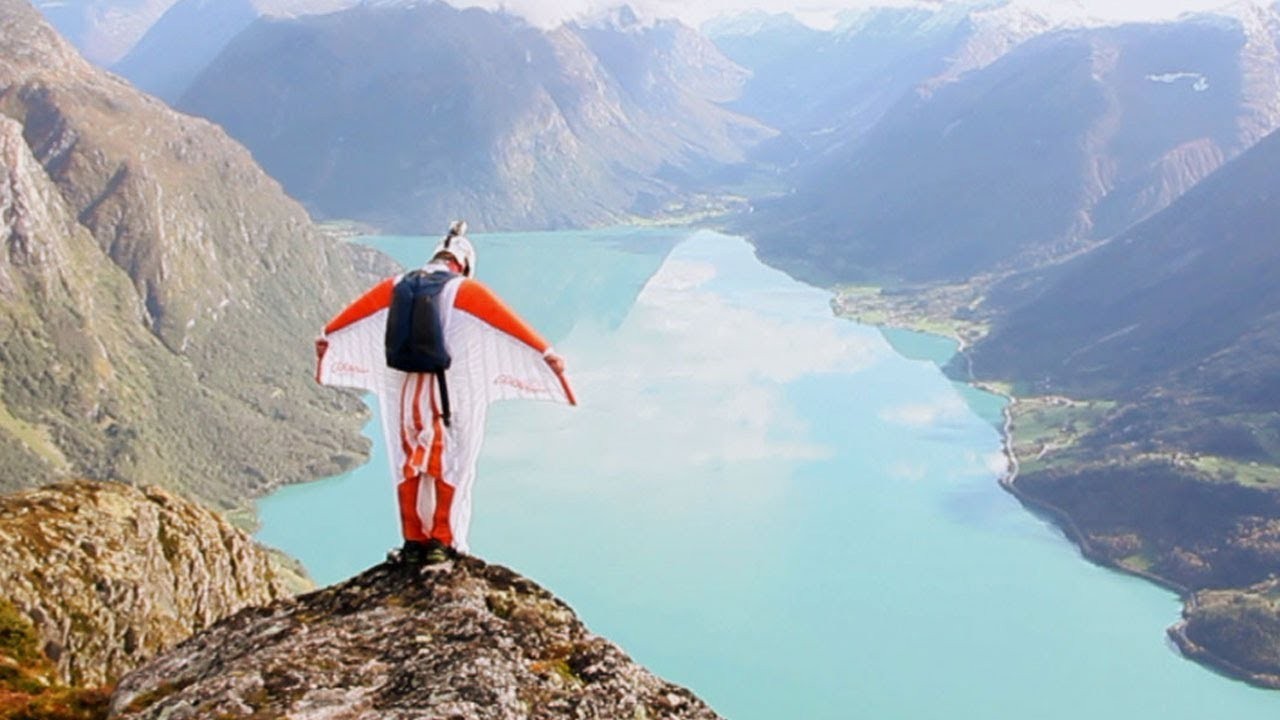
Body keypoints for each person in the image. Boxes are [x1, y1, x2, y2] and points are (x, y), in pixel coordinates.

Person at [315, 221, 575, 565]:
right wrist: (546, 355)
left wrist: (327, 339)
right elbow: (507, 323)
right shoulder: (462, 290)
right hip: (446, 394)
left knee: (408, 465)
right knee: (448, 465)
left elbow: (351, 318)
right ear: (462, 264)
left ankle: (412, 540)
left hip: (405, 391)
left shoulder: (396, 286)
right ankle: (442, 539)